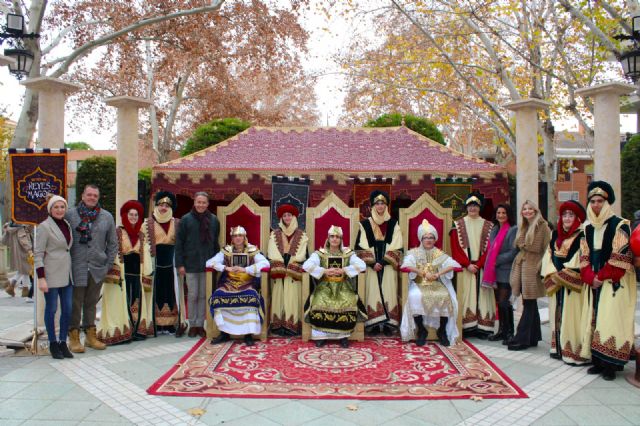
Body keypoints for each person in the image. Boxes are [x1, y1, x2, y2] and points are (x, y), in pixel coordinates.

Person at [580, 181, 637, 380]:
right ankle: (598, 361)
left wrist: (600, 277)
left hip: (615, 280)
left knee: (611, 320)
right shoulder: (586, 228)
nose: (596, 205)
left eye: (600, 201)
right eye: (593, 201)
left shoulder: (620, 224)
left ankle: (611, 365)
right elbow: (584, 257)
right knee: (595, 320)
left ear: (607, 203)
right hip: (595, 281)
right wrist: (589, 277)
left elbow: (620, 256)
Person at [66, 184, 118, 353]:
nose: (92, 198)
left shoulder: (106, 217)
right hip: (77, 266)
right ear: (82, 196)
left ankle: (90, 336)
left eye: (95, 195)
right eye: (89, 195)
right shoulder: (70, 215)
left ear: (98, 197)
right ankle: (73, 337)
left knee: (91, 302)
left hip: (97, 267)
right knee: (75, 302)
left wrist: (108, 265)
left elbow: (112, 243)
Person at [542, 200, 590, 365]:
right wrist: (553, 275)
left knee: (573, 316)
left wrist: (561, 276)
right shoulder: (555, 234)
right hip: (557, 284)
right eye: (564, 215)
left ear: (577, 217)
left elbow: (581, 260)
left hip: (573, 286)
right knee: (556, 314)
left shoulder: (583, 235)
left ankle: (573, 351)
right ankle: (559, 348)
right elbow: (548, 256)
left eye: (571, 215)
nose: (567, 218)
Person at [302, 225, 367, 348]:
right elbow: (307, 265)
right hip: (325, 286)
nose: (335, 239)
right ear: (328, 238)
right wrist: (324, 271)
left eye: (337, 237)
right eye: (332, 236)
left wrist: (344, 270)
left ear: (341, 239)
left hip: (343, 286)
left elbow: (362, 265)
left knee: (348, 300)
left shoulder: (348, 254)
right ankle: (321, 336)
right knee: (319, 299)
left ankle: (343, 336)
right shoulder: (320, 254)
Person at [400, 220, 460, 346]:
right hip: (419, 283)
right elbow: (406, 265)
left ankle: (442, 331)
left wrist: (438, 274)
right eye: (425, 237)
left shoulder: (439, 253)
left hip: (436, 283)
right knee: (414, 296)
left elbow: (454, 265)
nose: (428, 240)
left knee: (446, 296)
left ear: (435, 239)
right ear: (421, 239)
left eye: (431, 237)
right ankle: (422, 330)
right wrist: (422, 273)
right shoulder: (413, 252)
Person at [207, 226, 269, 346]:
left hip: (247, 283)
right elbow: (209, 262)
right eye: (235, 236)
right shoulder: (226, 250)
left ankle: (248, 334)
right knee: (217, 297)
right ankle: (224, 333)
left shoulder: (252, 250)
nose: (238, 238)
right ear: (232, 238)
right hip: (228, 282)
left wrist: (246, 269)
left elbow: (265, 263)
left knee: (251, 297)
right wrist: (225, 268)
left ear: (244, 237)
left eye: (240, 236)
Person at [101, 200, 151, 343]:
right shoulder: (117, 232)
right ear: (125, 215)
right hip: (122, 275)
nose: (133, 217)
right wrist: (115, 271)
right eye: (131, 214)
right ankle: (123, 332)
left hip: (137, 275)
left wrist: (146, 274)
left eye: (136, 215)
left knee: (135, 302)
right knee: (120, 302)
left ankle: (135, 331)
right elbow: (112, 250)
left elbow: (146, 254)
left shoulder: (141, 235)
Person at [355, 190, 403, 335]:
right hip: (372, 266)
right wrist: (372, 263)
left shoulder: (394, 224)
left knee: (389, 291)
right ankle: (374, 324)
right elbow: (359, 247)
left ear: (386, 206)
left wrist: (382, 262)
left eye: (383, 203)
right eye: (377, 203)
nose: (380, 206)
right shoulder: (364, 224)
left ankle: (389, 324)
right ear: (372, 206)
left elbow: (398, 246)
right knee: (372, 291)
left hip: (387, 265)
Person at [508, 200, 551, 351]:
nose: (527, 211)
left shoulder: (543, 226)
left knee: (530, 302)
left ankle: (521, 338)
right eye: (524, 209)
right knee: (529, 302)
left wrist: (542, 269)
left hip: (533, 267)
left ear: (536, 210)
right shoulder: (524, 226)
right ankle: (533, 337)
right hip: (523, 264)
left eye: (530, 209)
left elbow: (547, 248)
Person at [449, 192, 494, 338]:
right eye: (470, 205)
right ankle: (467, 327)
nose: (472, 208)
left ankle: (482, 328)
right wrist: (467, 264)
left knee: (483, 296)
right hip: (466, 268)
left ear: (480, 207)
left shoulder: (489, 225)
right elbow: (455, 248)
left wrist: (479, 264)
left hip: (482, 268)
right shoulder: (457, 224)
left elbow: (490, 249)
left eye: (475, 205)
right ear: (466, 207)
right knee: (466, 295)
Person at [34, 195, 74, 359]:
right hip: (50, 274)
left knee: (68, 309)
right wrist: (41, 278)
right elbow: (38, 254)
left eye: (62, 207)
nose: (59, 210)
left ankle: (63, 342)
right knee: (51, 309)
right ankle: (52, 343)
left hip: (67, 274)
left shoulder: (67, 225)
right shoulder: (44, 227)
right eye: (56, 207)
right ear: (50, 209)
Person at [175, 192, 220, 338]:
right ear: (194, 203)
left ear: (207, 204)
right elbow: (179, 244)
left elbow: (215, 244)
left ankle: (201, 324)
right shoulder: (186, 220)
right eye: (198, 202)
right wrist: (180, 264)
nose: (201, 205)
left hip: (208, 264)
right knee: (193, 295)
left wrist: (216, 263)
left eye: (203, 202)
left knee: (203, 295)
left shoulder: (213, 220)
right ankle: (193, 324)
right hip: (190, 264)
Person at [145, 192, 185, 336]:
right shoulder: (147, 223)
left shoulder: (177, 223)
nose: (163, 208)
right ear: (156, 206)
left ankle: (170, 324)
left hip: (172, 264)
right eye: (161, 205)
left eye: (167, 205)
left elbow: (181, 245)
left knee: (171, 293)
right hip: (155, 263)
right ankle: (156, 324)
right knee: (157, 293)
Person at [267, 204, 308, 336]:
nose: (287, 218)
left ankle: (291, 325)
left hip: (293, 272)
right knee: (278, 295)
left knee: (292, 296)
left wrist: (290, 266)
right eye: (284, 216)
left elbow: (302, 254)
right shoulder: (274, 234)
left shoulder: (302, 235)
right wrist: (281, 267)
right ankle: (278, 325)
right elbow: (272, 251)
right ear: (281, 218)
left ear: (294, 216)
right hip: (279, 271)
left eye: (289, 215)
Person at [483, 204, 518, 344]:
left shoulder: (512, 230)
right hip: (495, 272)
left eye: (504, 213)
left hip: (506, 270)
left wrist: (496, 260)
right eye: (499, 213)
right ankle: (501, 331)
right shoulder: (494, 229)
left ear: (508, 214)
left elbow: (513, 251)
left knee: (504, 302)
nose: (501, 215)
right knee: (500, 303)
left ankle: (509, 333)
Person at [2, 222, 33, 300]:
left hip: (17, 251)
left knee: (25, 270)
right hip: (24, 252)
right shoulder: (21, 228)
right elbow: (24, 240)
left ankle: (23, 290)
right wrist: (29, 250)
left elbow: (4, 240)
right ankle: (12, 284)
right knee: (26, 269)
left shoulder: (13, 226)